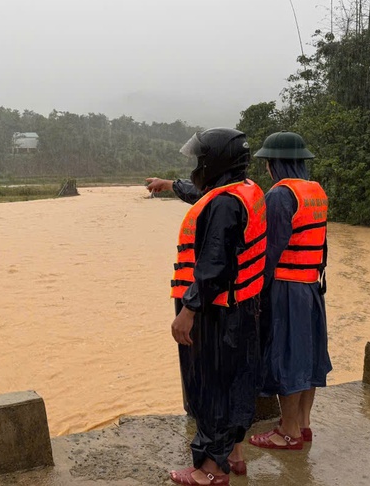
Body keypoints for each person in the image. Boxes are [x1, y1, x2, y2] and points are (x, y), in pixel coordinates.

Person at [161, 128, 266, 485]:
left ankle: (211, 471)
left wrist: (188, 310)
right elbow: (203, 197)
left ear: (215, 161)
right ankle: (234, 455)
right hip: (241, 307)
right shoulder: (244, 191)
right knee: (236, 382)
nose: (197, 166)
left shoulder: (223, 204)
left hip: (215, 312)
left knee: (209, 388)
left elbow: (213, 266)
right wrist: (170, 185)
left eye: (200, 159)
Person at [247, 131, 332, 451]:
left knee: (288, 358)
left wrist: (256, 293)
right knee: (308, 358)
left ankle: (288, 431)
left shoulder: (280, 196)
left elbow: (268, 252)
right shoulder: (316, 191)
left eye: (269, 164)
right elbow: (321, 243)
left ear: (275, 165)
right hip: (311, 286)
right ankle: (304, 424)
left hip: (286, 289)